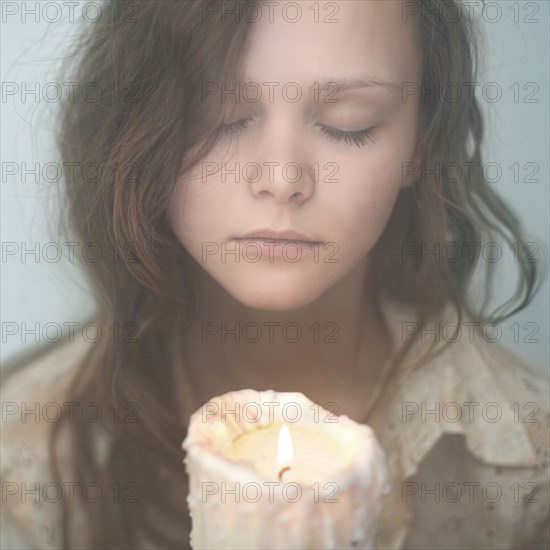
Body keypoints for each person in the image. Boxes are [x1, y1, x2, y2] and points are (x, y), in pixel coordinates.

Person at [2, 1, 548, 548]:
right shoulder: (23, 460)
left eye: (347, 124)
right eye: (220, 117)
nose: (282, 177)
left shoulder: (529, 461)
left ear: (420, 146)